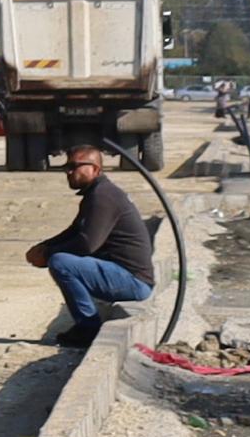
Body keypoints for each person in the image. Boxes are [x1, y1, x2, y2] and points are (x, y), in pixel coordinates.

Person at [25, 137, 158, 337]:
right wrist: (44, 246)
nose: (69, 172)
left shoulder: (103, 196)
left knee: (61, 262)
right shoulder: (96, 193)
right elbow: (75, 231)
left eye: (75, 166)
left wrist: (49, 254)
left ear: (95, 169)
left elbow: (87, 244)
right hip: (124, 274)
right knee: (60, 257)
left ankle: (87, 329)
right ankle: (86, 326)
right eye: (67, 167)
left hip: (135, 283)